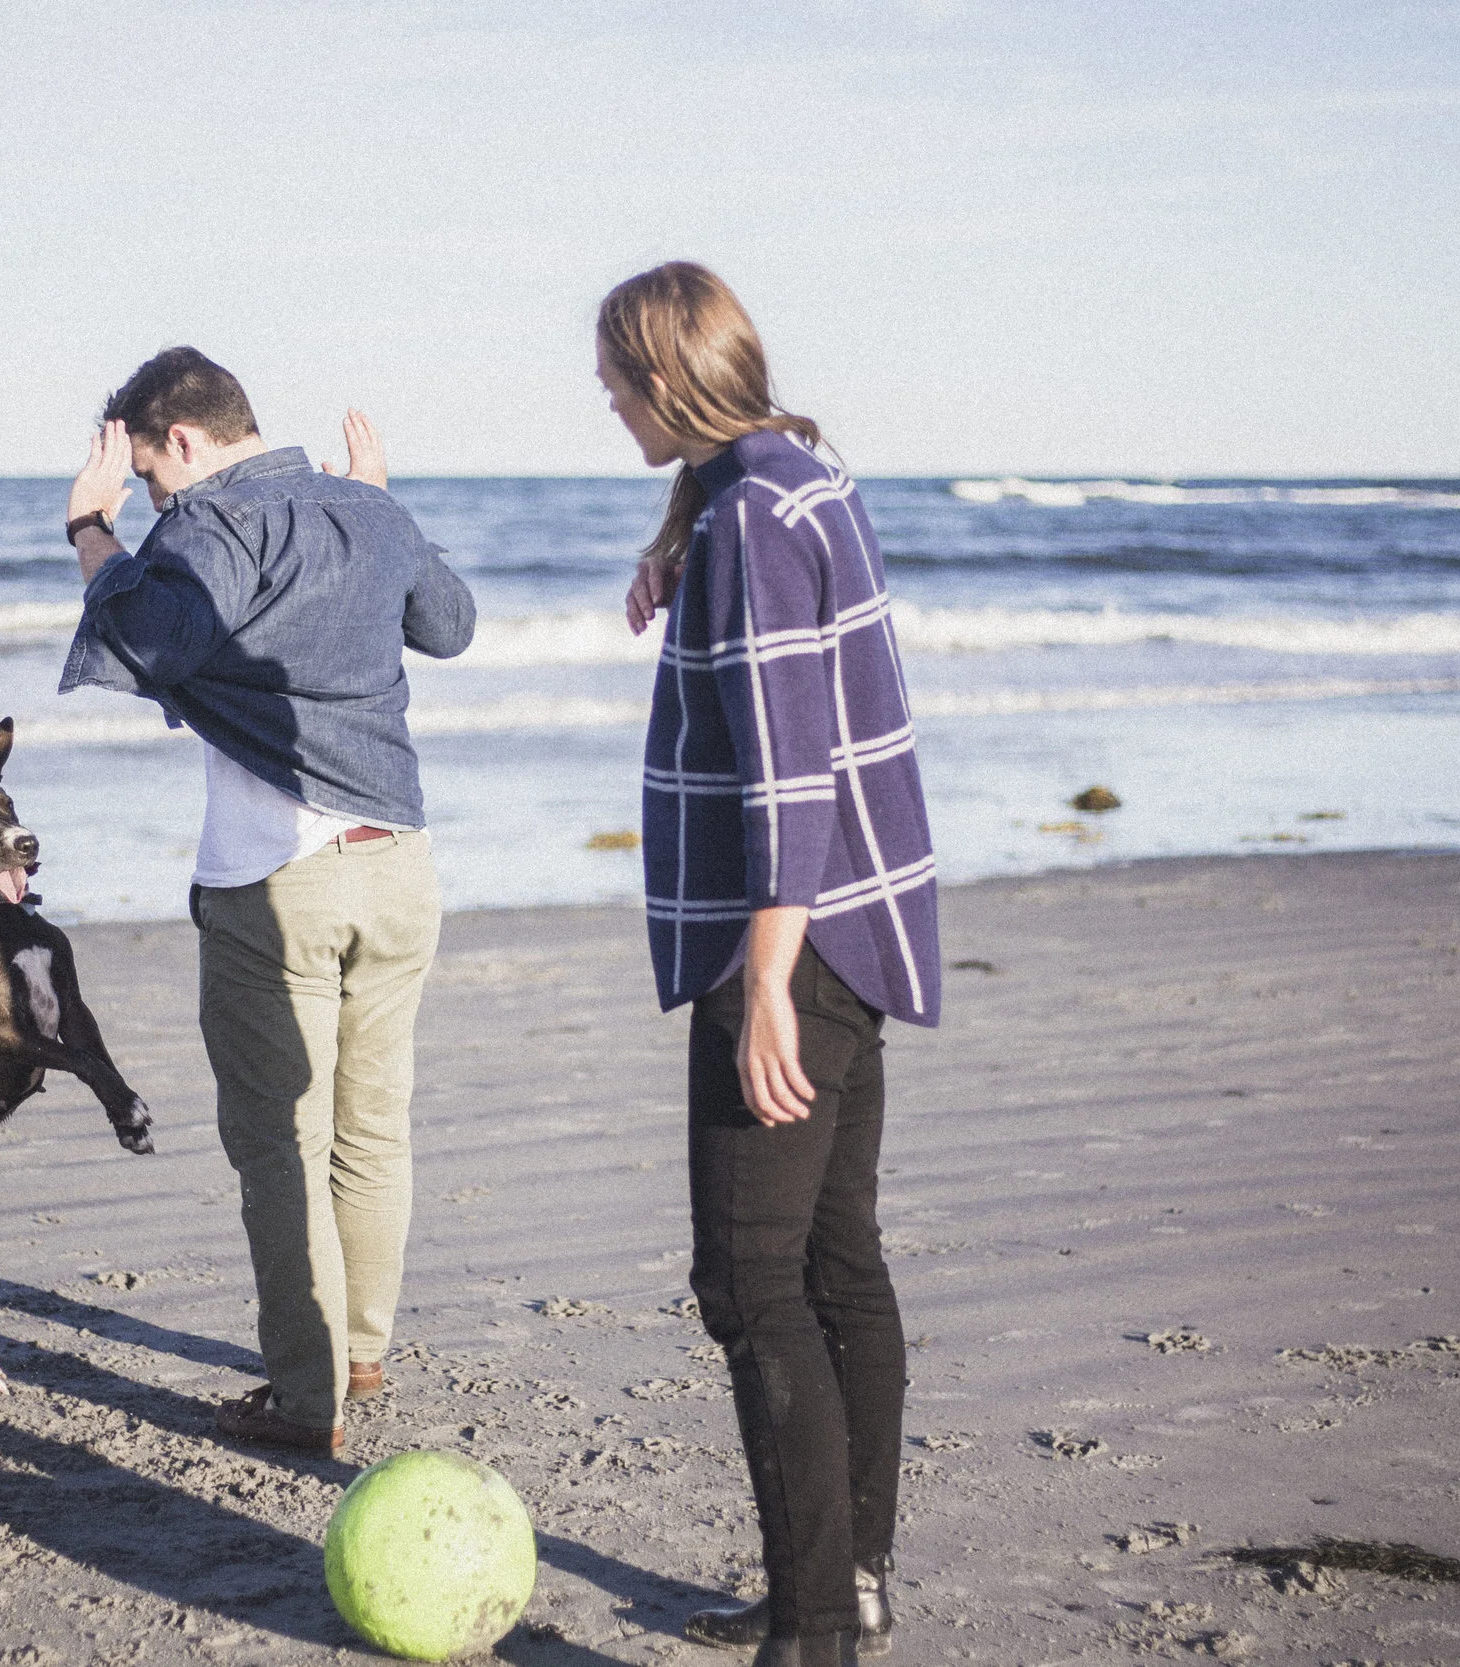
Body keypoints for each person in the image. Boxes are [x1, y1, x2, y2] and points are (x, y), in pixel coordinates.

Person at [603, 264, 940, 1667]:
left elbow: (787, 767)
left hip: (798, 935)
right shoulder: (800, 474)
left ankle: (812, 1634)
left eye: (618, 378)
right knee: (835, 1258)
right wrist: (675, 532)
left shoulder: (749, 518)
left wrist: (759, 985)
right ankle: (846, 1584)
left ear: (668, 381)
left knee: (750, 1284)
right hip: (871, 920)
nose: (605, 401)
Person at [58, 346, 476, 1456]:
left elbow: (147, 638)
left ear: (183, 442)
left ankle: (308, 1398)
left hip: (278, 874)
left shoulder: (209, 524)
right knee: (371, 1124)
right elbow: (450, 624)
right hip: (400, 863)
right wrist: (383, 506)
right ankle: (363, 1350)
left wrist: (92, 532)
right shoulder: (365, 510)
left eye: (147, 475)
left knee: (278, 1141)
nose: (151, 497)